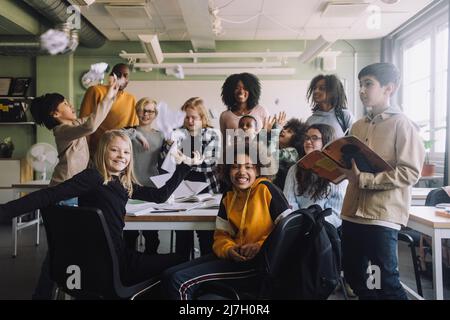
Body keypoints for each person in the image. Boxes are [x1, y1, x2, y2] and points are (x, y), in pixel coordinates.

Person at [0, 130, 203, 288]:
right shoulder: (93, 177)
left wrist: (185, 167)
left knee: (179, 261)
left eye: (125, 152)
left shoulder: (122, 182)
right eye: (114, 150)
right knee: (182, 261)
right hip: (113, 264)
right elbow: (48, 195)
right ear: (102, 151)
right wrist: (4, 211)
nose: (121, 156)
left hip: (113, 259)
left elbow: (159, 196)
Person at [28, 75, 119, 299]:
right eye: (66, 104)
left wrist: (112, 94)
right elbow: (92, 124)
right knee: (62, 251)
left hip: (76, 194)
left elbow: (94, 119)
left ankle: (75, 290)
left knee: (70, 249)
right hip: (64, 195)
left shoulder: (75, 125)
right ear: (55, 114)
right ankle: (45, 294)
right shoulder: (62, 131)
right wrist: (107, 95)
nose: (70, 105)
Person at [161, 142, 292, 300]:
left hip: (259, 264)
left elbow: (289, 231)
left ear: (258, 170)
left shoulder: (267, 190)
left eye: (248, 167)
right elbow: (221, 236)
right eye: (235, 166)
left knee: (179, 282)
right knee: (168, 274)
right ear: (228, 170)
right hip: (233, 257)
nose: (241, 172)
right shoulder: (229, 195)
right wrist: (229, 249)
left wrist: (259, 246)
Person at [339, 62, 425, 300]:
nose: (362, 90)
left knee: (384, 283)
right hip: (351, 213)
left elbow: (410, 172)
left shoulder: (402, 125)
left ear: (389, 88)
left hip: (381, 217)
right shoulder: (356, 126)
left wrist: (364, 179)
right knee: (357, 278)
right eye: (360, 85)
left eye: (368, 84)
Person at [161, 97, 221, 262]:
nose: (190, 120)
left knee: (206, 234)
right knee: (182, 233)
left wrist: (185, 162)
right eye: (187, 117)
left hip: (207, 191)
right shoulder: (176, 133)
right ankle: (181, 270)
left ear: (202, 118)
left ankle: (204, 272)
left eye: (195, 117)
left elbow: (209, 164)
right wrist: (168, 146)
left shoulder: (212, 134)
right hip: (181, 190)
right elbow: (165, 163)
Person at [122, 98, 165, 255]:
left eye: (150, 111)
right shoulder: (128, 132)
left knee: (152, 235)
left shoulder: (161, 136)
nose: (146, 114)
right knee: (129, 235)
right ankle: (129, 268)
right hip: (131, 186)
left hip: (152, 186)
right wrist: (137, 135)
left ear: (155, 114)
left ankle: (150, 267)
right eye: (142, 110)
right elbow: (113, 134)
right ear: (137, 111)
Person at [283, 123, 344, 229]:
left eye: (314, 138)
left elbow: (336, 213)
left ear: (326, 141)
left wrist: (314, 224)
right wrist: (300, 222)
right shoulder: (295, 169)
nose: (307, 141)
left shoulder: (338, 172)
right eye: (306, 138)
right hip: (297, 226)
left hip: (324, 230)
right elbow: (288, 202)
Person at [79, 63, 138, 155]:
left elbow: (133, 129)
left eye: (126, 76)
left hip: (121, 153)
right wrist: (85, 153)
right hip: (98, 151)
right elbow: (84, 123)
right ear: (112, 75)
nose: (122, 78)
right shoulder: (96, 91)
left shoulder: (131, 99)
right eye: (118, 74)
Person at [220, 72, 269, 141]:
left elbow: (266, 138)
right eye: (237, 88)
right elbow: (225, 143)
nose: (241, 91)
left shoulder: (261, 111)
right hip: (234, 151)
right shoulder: (225, 116)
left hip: (258, 151)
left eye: (245, 88)